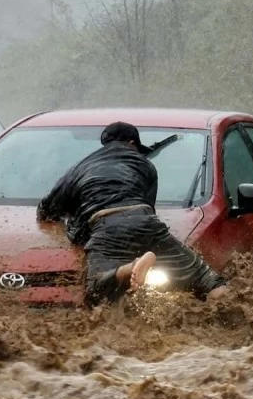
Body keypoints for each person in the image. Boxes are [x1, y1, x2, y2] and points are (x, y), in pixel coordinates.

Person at [37, 121, 229, 306]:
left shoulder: (80, 169)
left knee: (95, 291)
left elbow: (46, 210)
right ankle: (224, 313)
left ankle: (129, 269)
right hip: (145, 220)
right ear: (132, 143)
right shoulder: (145, 165)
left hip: (107, 226)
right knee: (208, 281)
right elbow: (147, 210)